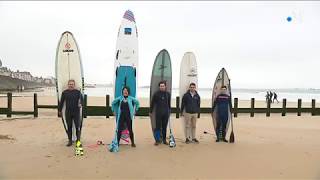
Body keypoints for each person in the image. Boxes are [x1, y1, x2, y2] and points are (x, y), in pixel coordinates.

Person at [58, 79, 83, 147]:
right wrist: (59, 110)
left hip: (76, 112)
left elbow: (82, 100)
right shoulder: (64, 92)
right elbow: (61, 102)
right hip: (68, 112)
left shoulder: (78, 92)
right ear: (68, 85)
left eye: (72, 84)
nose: (71, 85)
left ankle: (78, 140)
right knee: (69, 127)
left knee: (77, 126)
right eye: (70, 84)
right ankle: (70, 140)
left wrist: (80, 104)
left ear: (74, 85)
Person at [149, 81, 171, 146]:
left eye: (163, 86)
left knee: (164, 127)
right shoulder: (156, 94)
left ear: (165, 86)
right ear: (159, 87)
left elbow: (169, 104)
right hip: (158, 113)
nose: (162, 87)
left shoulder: (168, 94)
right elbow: (152, 104)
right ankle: (157, 140)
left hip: (166, 113)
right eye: (161, 86)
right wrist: (150, 111)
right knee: (158, 127)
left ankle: (164, 140)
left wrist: (169, 110)